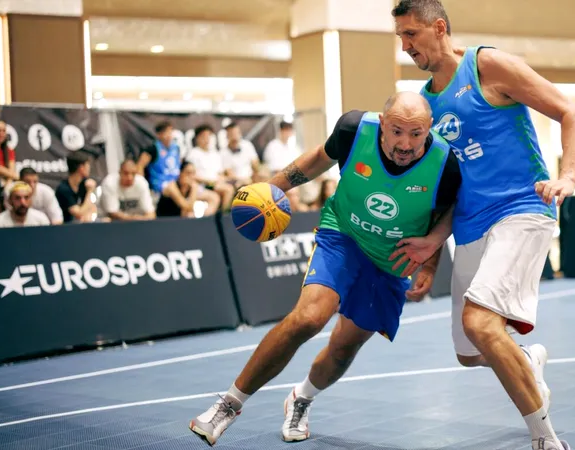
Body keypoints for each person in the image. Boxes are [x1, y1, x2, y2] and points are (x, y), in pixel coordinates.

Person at [189, 91, 462, 445]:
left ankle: (300, 399)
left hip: (393, 258)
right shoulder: (353, 130)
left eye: (416, 133)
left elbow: (440, 217)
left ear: (429, 129)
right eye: (397, 131)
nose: (405, 143)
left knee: (343, 348)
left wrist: (428, 266)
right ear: (382, 124)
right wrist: (272, 188)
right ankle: (229, 404)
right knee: (307, 318)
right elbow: (319, 158)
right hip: (343, 234)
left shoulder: (445, 165)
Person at [389, 2, 575, 449]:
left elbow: (572, 113)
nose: (405, 47)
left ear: (439, 27)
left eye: (411, 35)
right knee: (469, 351)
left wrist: (569, 176)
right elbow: (448, 191)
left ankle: (545, 438)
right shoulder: (426, 105)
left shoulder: (486, 65)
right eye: (400, 37)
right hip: (470, 224)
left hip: (523, 208)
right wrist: (431, 250)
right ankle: (527, 359)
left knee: (480, 322)